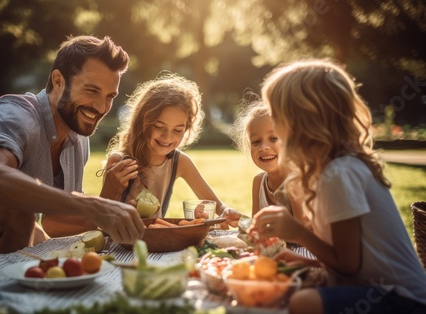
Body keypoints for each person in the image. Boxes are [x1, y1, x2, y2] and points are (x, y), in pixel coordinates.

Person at [248, 59, 426, 314]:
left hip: (404, 299)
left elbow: (347, 266)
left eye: (278, 115)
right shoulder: (327, 173)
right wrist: (296, 261)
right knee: (278, 288)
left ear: (304, 121)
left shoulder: (340, 174)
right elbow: (341, 259)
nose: (274, 124)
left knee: (302, 303)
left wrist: (297, 232)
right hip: (371, 288)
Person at [0, 35, 145, 255]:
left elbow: (57, 222)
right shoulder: (14, 114)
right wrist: (92, 206)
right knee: (18, 205)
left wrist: (112, 209)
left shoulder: (78, 139)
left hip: (8, 254)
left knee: (48, 240)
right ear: (58, 81)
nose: (101, 106)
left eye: (110, 96)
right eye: (91, 90)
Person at [99, 72, 242, 228]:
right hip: (123, 245)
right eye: (159, 127)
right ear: (142, 122)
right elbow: (103, 219)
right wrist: (124, 212)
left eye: (178, 130)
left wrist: (226, 211)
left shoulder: (179, 162)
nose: (167, 137)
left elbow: (217, 205)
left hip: (158, 243)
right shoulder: (120, 162)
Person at [229, 94, 309, 250]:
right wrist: (240, 220)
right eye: (256, 142)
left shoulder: (295, 181)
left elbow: (302, 235)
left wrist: (263, 233)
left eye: (273, 138)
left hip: (305, 255)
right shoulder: (258, 182)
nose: (263, 147)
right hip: (276, 253)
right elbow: (256, 230)